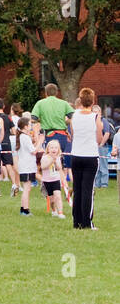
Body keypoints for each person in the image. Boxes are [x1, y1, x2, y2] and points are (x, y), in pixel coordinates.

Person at [66, 87, 104, 229]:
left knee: (78, 189)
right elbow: (99, 138)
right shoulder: (95, 117)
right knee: (88, 189)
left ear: (80, 100)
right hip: (90, 155)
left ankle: (77, 222)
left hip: (76, 154)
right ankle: (87, 222)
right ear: (92, 101)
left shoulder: (74, 115)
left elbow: (73, 133)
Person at [31, 83, 73, 175]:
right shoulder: (64, 103)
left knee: (49, 159)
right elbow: (73, 117)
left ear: (46, 93)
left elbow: (33, 119)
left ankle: (52, 180)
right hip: (62, 135)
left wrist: (42, 119)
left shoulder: (40, 103)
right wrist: (64, 122)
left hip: (49, 135)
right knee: (58, 158)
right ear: (57, 92)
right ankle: (60, 180)